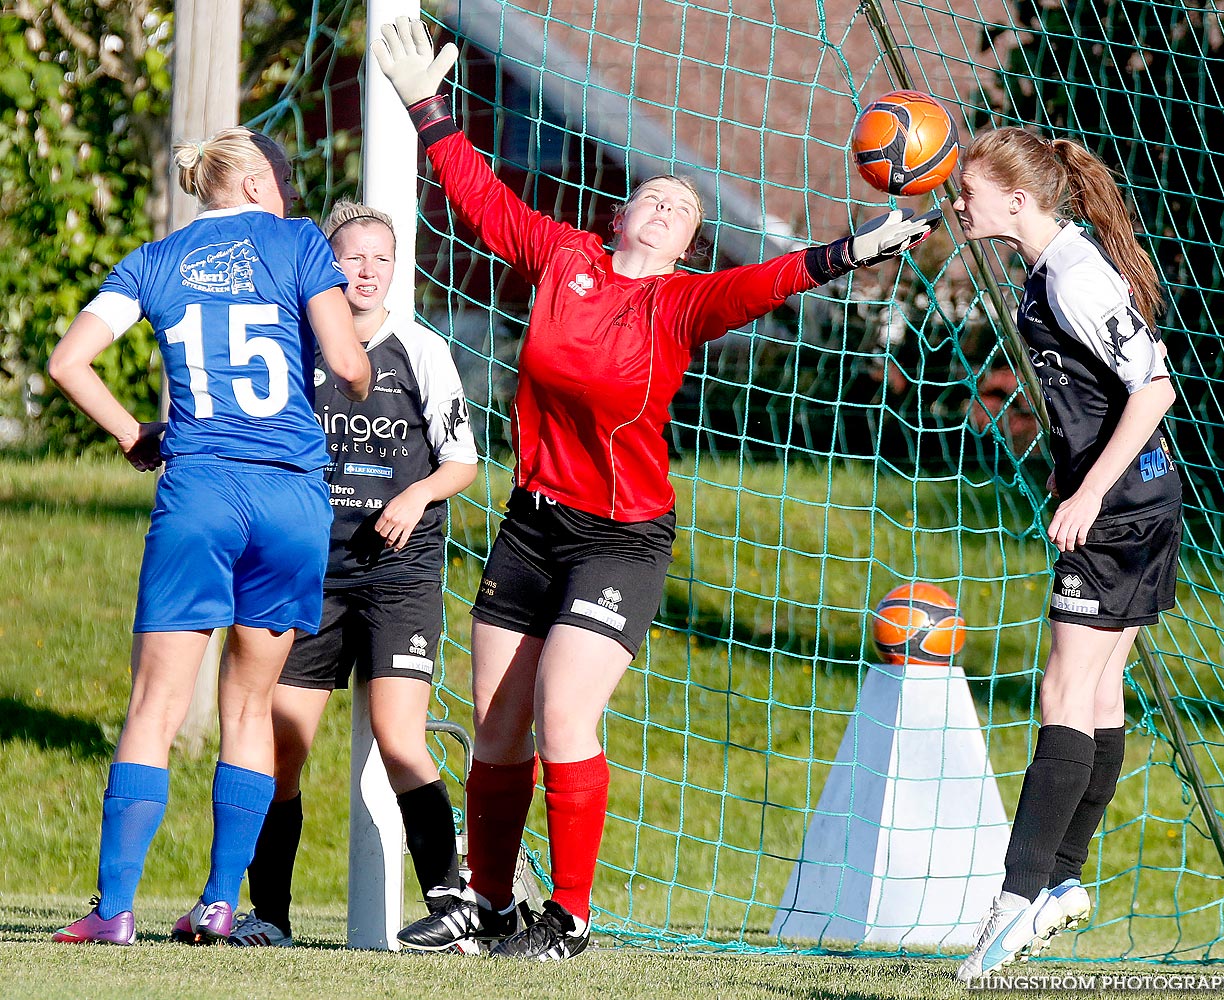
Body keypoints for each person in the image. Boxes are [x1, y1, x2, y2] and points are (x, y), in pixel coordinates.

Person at [371, 16, 942, 961]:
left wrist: (855, 248)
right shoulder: (566, 261)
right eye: (656, 193)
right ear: (623, 215)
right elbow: (480, 199)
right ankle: (486, 905)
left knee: (564, 712)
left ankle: (569, 916)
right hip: (530, 525)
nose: (671, 202)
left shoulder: (681, 302)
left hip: (619, 540)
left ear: (687, 245)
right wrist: (427, 109)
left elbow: (767, 281)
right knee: (497, 725)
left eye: (684, 204)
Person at [49, 127, 372, 946]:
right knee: (250, 704)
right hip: (293, 496)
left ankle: (115, 910)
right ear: (261, 183)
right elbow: (348, 362)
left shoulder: (153, 260)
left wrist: (134, 434)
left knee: (155, 703)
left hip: (200, 489)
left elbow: (68, 362)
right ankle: (220, 903)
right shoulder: (299, 242)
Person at [950, 127, 1181, 982]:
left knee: (1061, 687)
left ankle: (1014, 902)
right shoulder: (1054, 263)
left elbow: (1152, 387)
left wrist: (1087, 494)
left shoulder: (1076, 275)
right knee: (1097, 688)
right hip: (1143, 502)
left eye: (969, 189)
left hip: (1117, 513)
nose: (958, 201)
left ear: (1017, 200)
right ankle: (1062, 886)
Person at [229, 200, 478, 948]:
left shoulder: (422, 350)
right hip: (308, 571)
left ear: (395, 269)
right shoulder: (293, 345)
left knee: (398, 735)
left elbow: (461, 461)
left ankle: (451, 908)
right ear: (326, 265)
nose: (365, 271)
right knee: (282, 750)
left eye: (379, 258)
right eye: (351, 257)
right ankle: (269, 917)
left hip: (397, 577)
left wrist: (415, 491)